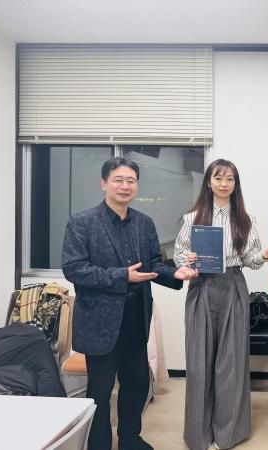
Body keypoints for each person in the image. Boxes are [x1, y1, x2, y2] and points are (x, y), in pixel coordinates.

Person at [62, 157, 196, 450]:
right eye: (118, 180)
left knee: (136, 384)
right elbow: (74, 269)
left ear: (137, 185)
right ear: (104, 183)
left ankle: (130, 439)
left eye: (131, 180)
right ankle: (98, 444)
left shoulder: (144, 223)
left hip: (136, 318)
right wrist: (122, 276)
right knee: (99, 390)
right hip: (100, 322)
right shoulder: (82, 222)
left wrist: (175, 273)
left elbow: (152, 264)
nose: (125, 186)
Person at [174, 159, 268, 450]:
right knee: (199, 361)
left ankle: (228, 433)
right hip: (201, 286)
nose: (224, 183)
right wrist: (187, 261)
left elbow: (250, 261)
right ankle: (198, 434)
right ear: (209, 182)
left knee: (231, 361)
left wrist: (265, 255)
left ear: (236, 184)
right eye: (218, 178)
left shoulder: (246, 219)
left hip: (233, 284)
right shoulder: (192, 218)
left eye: (230, 179)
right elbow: (179, 255)